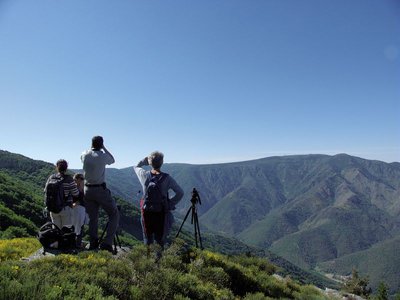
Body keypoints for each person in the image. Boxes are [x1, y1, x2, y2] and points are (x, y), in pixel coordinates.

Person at [134, 151, 184, 253]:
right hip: (161, 213)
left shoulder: (144, 175)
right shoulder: (167, 178)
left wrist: (144, 161)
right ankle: (158, 263)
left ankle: (147, 262)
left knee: (148, 239)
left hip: (146, 212)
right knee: (160, 240)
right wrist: (170, 204)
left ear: (150, 163)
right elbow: (180, 193)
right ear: (162, 162)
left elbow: (136, 166)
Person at [81, 136, 119, 252]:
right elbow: (112, 160)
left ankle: (93, 242)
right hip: (99, 190)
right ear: (101, 144)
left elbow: (84, 156)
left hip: (87, 190)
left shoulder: (84, 154)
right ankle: (107, 243)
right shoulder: (103, 156)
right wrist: (104, 148)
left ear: (91, 143)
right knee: (114, 214)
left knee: (93, 218)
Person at [44, 159, 79, 229]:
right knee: (66, 230)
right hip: (66, 208)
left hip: (53, 208)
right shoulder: (69, 179)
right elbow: (76, 193)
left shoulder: (51, 178)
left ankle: (57, 240)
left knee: (56, 230)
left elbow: (45, 190)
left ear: (57, 167)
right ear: (66, 168)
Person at [72, 173, 89, 248]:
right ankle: (75, 244)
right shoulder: (74, 188)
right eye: (81, 179)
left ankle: (77, 244)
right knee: (75, 227)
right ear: (77, 179)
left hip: (81, 211)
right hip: (75, 210)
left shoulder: (84, 188)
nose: (83, 180)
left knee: (80, 227)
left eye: (83, 179)